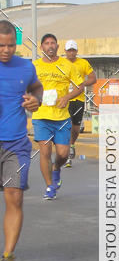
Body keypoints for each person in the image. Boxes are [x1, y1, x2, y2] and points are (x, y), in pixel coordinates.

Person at [0, 19, 44, 261]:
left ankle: (8, 256)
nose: (6, 50)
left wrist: (35, 99)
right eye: (1, 46)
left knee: (14, 197)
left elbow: (37, 87)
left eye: (10, 46)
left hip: (16, 143)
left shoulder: (26, 67)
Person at [33, 33, 82, 199]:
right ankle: (49, 187)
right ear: (41, 47)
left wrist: (67, 97)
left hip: (61, 117)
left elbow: (80, 86)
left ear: (57, 47)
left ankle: (56, 168)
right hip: (41, 116)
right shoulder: (35, 66)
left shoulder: (67, 65)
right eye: (46, 43)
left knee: (63, 154)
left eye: (53, 43)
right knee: (45, 151)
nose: (50, 46)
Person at [63, 39, 96, 166]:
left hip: (79, 99)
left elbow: (93, 78)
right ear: (65, 51)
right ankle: (66, 153)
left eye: (73, 50)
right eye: (69, 50)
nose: (71, 53)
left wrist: (81, 84)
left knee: (76, 128)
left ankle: (71, 144)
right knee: (66, 125)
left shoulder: (83, 63)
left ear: (76, 51)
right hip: (65, 99)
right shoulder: (60, 63)